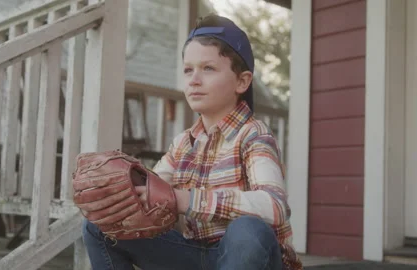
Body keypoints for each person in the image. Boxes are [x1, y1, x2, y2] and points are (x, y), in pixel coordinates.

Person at [82, 14, 303, 270]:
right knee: (102, 226)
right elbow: (155, 186)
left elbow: (274, 205)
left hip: (251, 257)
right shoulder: (183, 144)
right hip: (196, 254)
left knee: (248, 230)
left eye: (208, 68)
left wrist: (187, 200)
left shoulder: (253, 135)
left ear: (242, 81)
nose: (194, 80)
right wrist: (120, 188)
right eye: (188, 70)